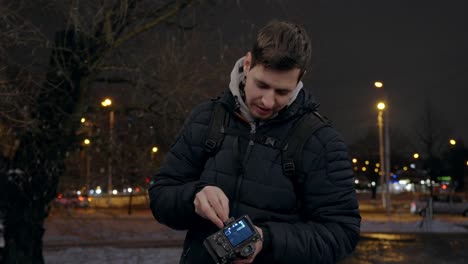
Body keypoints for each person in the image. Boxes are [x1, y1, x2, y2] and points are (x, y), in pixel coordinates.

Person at [149, 20, 361, 264]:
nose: (267, 102)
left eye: (282, 92)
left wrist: (267, 239)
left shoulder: (321, 141)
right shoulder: (206, 119)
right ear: (248, 64)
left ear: (300, 78)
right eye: (261, 85)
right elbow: (160, 195)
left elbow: (342, 233)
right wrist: (193, 197)